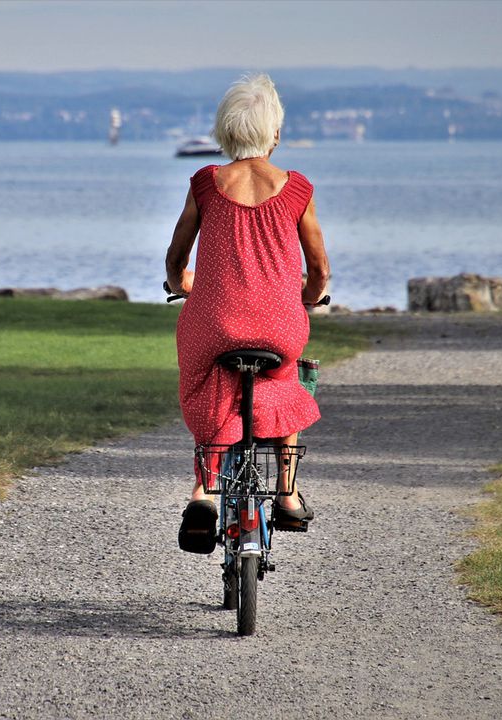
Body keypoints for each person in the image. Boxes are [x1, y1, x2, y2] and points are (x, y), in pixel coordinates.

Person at [165, 73, 330, 554]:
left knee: (207, 378)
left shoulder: (205, 183)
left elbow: (176, 260)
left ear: (224, 132)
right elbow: (318, 267)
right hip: (279, 325)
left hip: (214, 322)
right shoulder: (297, 188)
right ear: (274, 133)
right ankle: (287, 491)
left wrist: (184, 286)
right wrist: (311, 296)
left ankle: (204, 492)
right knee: (285, 381)